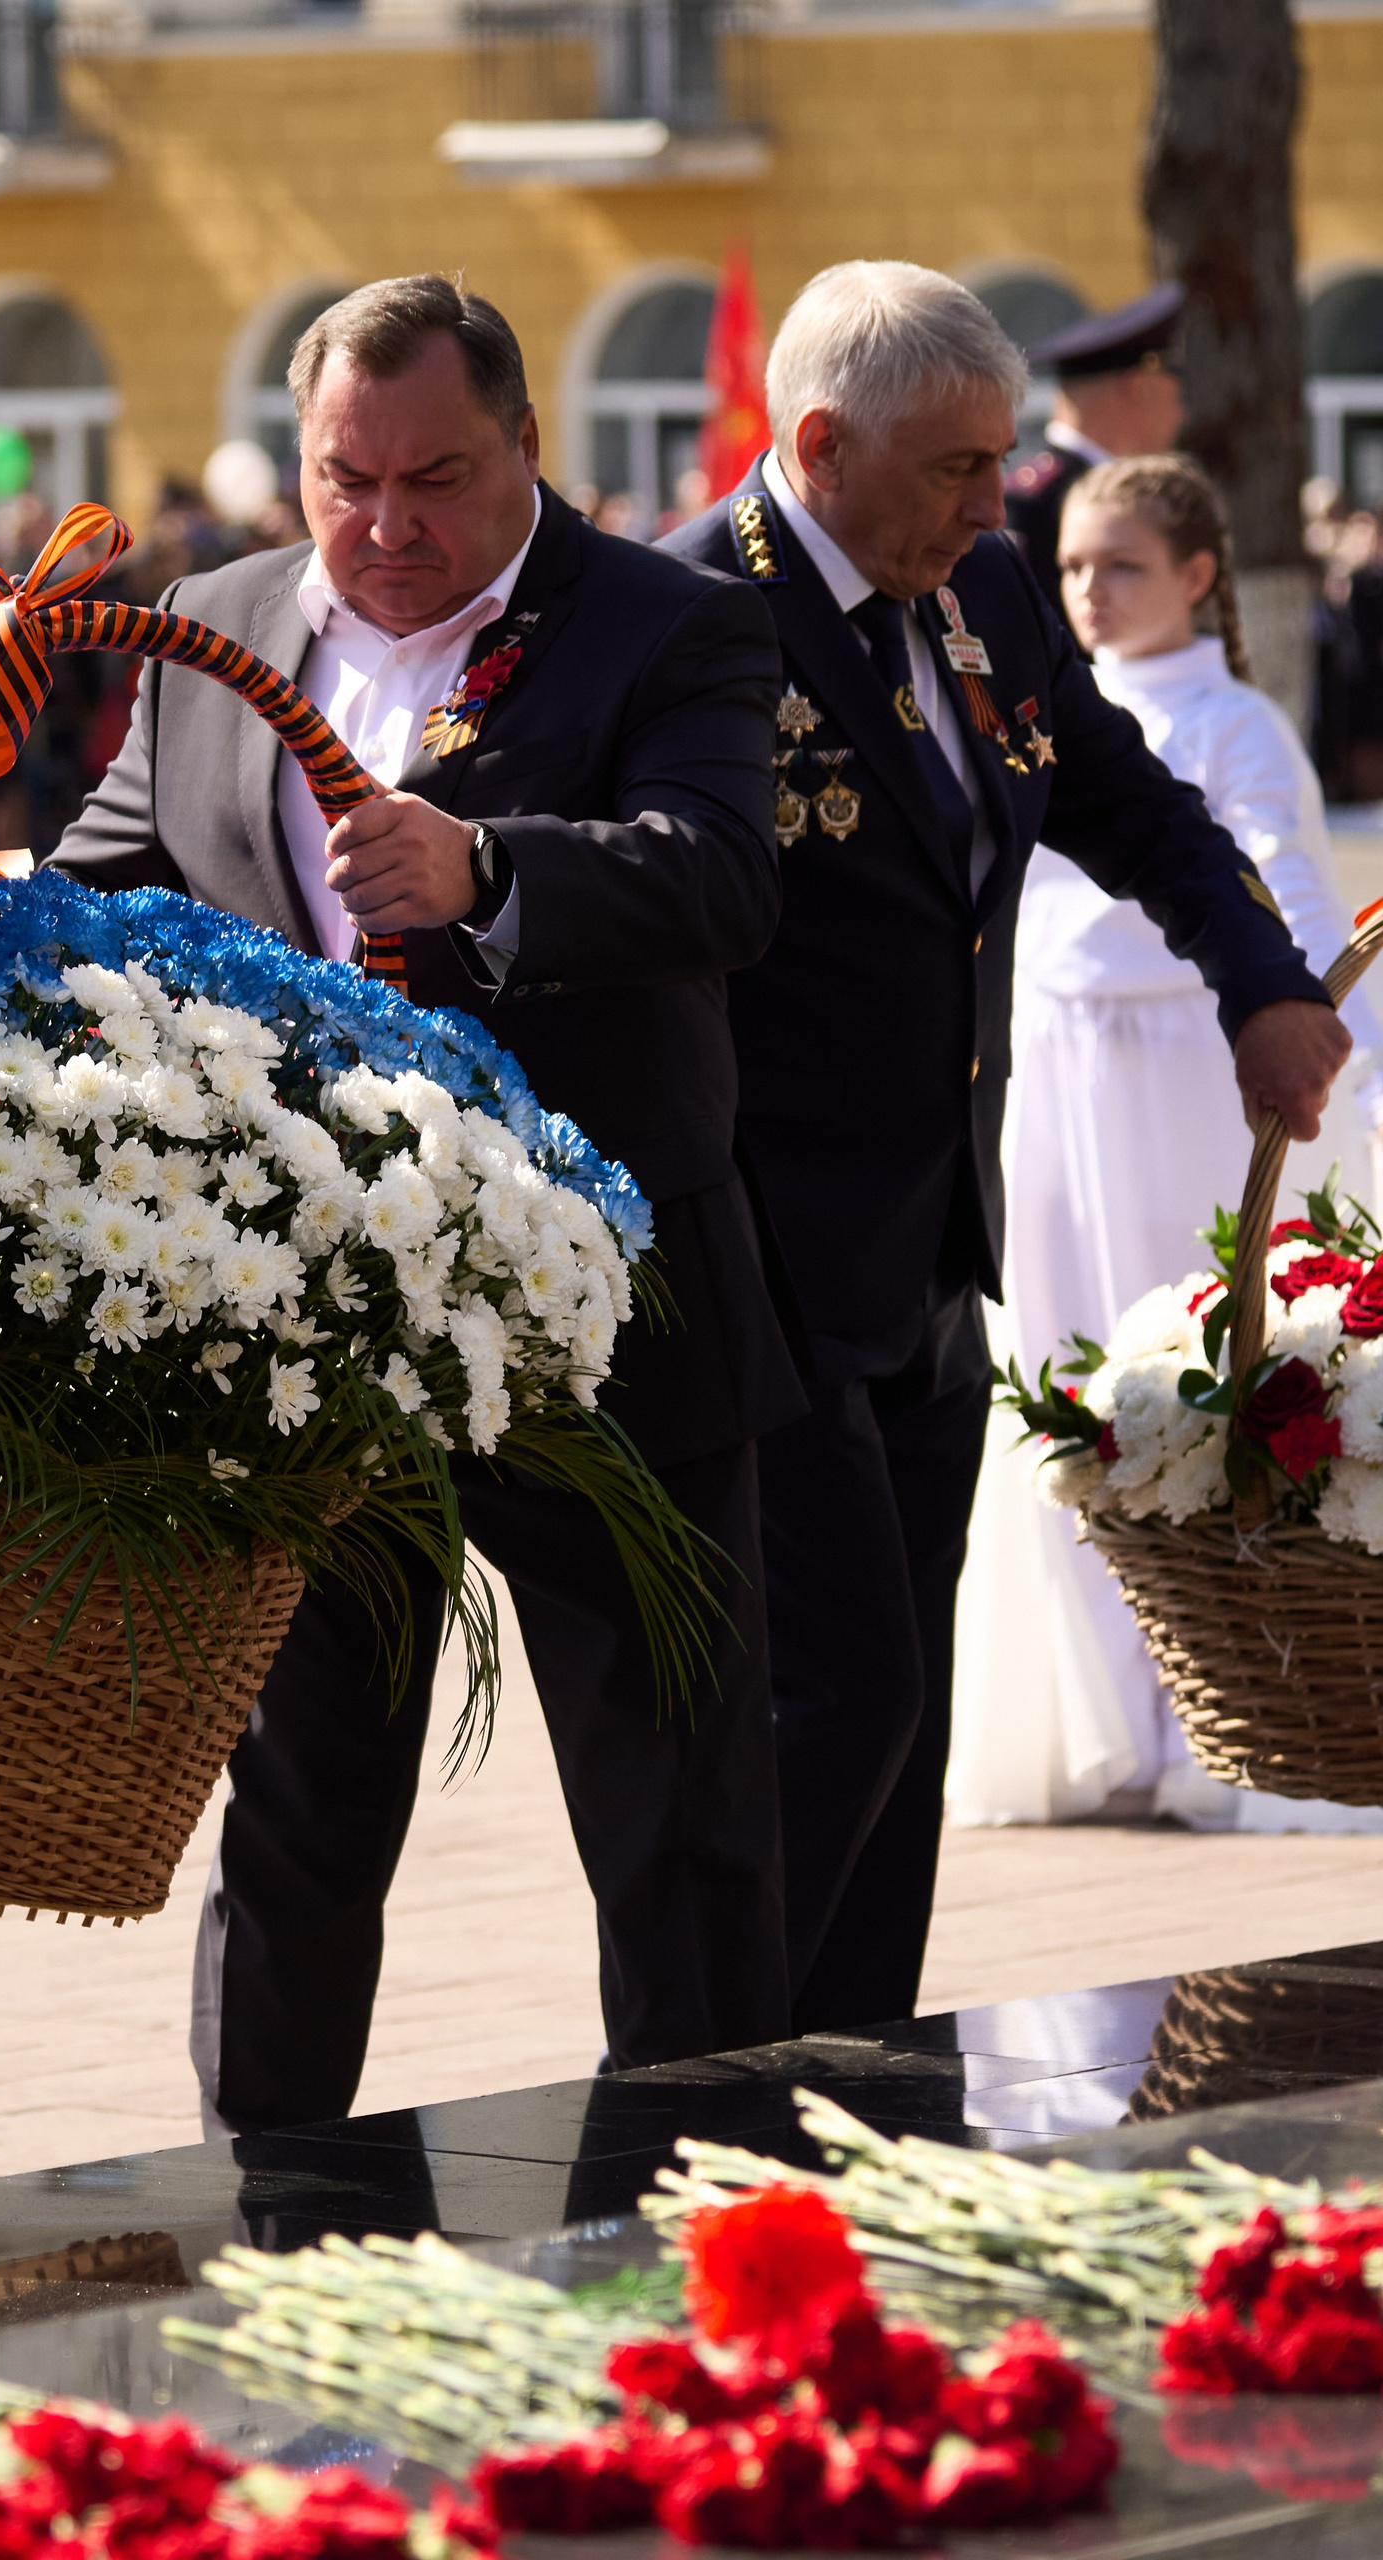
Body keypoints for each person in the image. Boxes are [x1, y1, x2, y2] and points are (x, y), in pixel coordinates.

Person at [52, 274, 803, 2125]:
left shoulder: (673, 625)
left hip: (607, 1325)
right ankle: (276, 2223)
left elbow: (723, 880)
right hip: (310, 1352)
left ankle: (705, 2217)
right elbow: (101, 889)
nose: (385, 526)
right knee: (300, 1817)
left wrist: (489, 870)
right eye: (342, 478)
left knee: (679, 1821)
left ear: (526, 447)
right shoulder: (208, 628)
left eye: (437, 478)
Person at [661, 263, 1348, 2035]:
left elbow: (1132, 808)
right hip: (750, 1251)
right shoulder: (675, 615)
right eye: (957, 469)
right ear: (816, 446)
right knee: (845, 1691)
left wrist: (1263, 985)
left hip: (935, 1242)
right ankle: (705, 2078)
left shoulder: (976, 593)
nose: (998, 501)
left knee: (906, 1712)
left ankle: (857, 2079)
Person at [951, 454, 1383, 1832]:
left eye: (1122, 564)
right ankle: (1094, 1720)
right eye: (1072, 565)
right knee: (1064, 1369)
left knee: (1185, 1364)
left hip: (1181, 1083)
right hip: (1058, 1076)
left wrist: (1313, 1042)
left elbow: (1279, 884)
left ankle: (1222, 1707)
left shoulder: (1237, 720)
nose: (1089, 590)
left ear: (1199, 574)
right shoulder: (1020, 702)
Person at [1000, 284, 1186, 629]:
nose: (1180, 415)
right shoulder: (1033, 502)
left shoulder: (1056, 490)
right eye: (1176, 397)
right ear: (1138, 388)